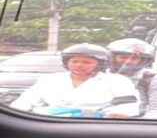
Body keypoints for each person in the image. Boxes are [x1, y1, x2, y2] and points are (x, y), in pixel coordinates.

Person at [11, 43, 140, 117]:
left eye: (86, 62)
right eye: (74, 61)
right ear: (67, 62)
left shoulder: (117, 81)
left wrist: (115, 115)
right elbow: (24, 102)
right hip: (50, 124)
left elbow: (129, 106)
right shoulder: (51, 79)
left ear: (100, 64)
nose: (79, 65)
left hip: (98, 126)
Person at [106, 38, 157, 119]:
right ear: (113, 58)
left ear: (142, 60)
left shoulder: (156, 80)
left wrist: (138, 125)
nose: (128, 61)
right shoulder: (101, 76)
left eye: (134, 58)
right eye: (123, 57)